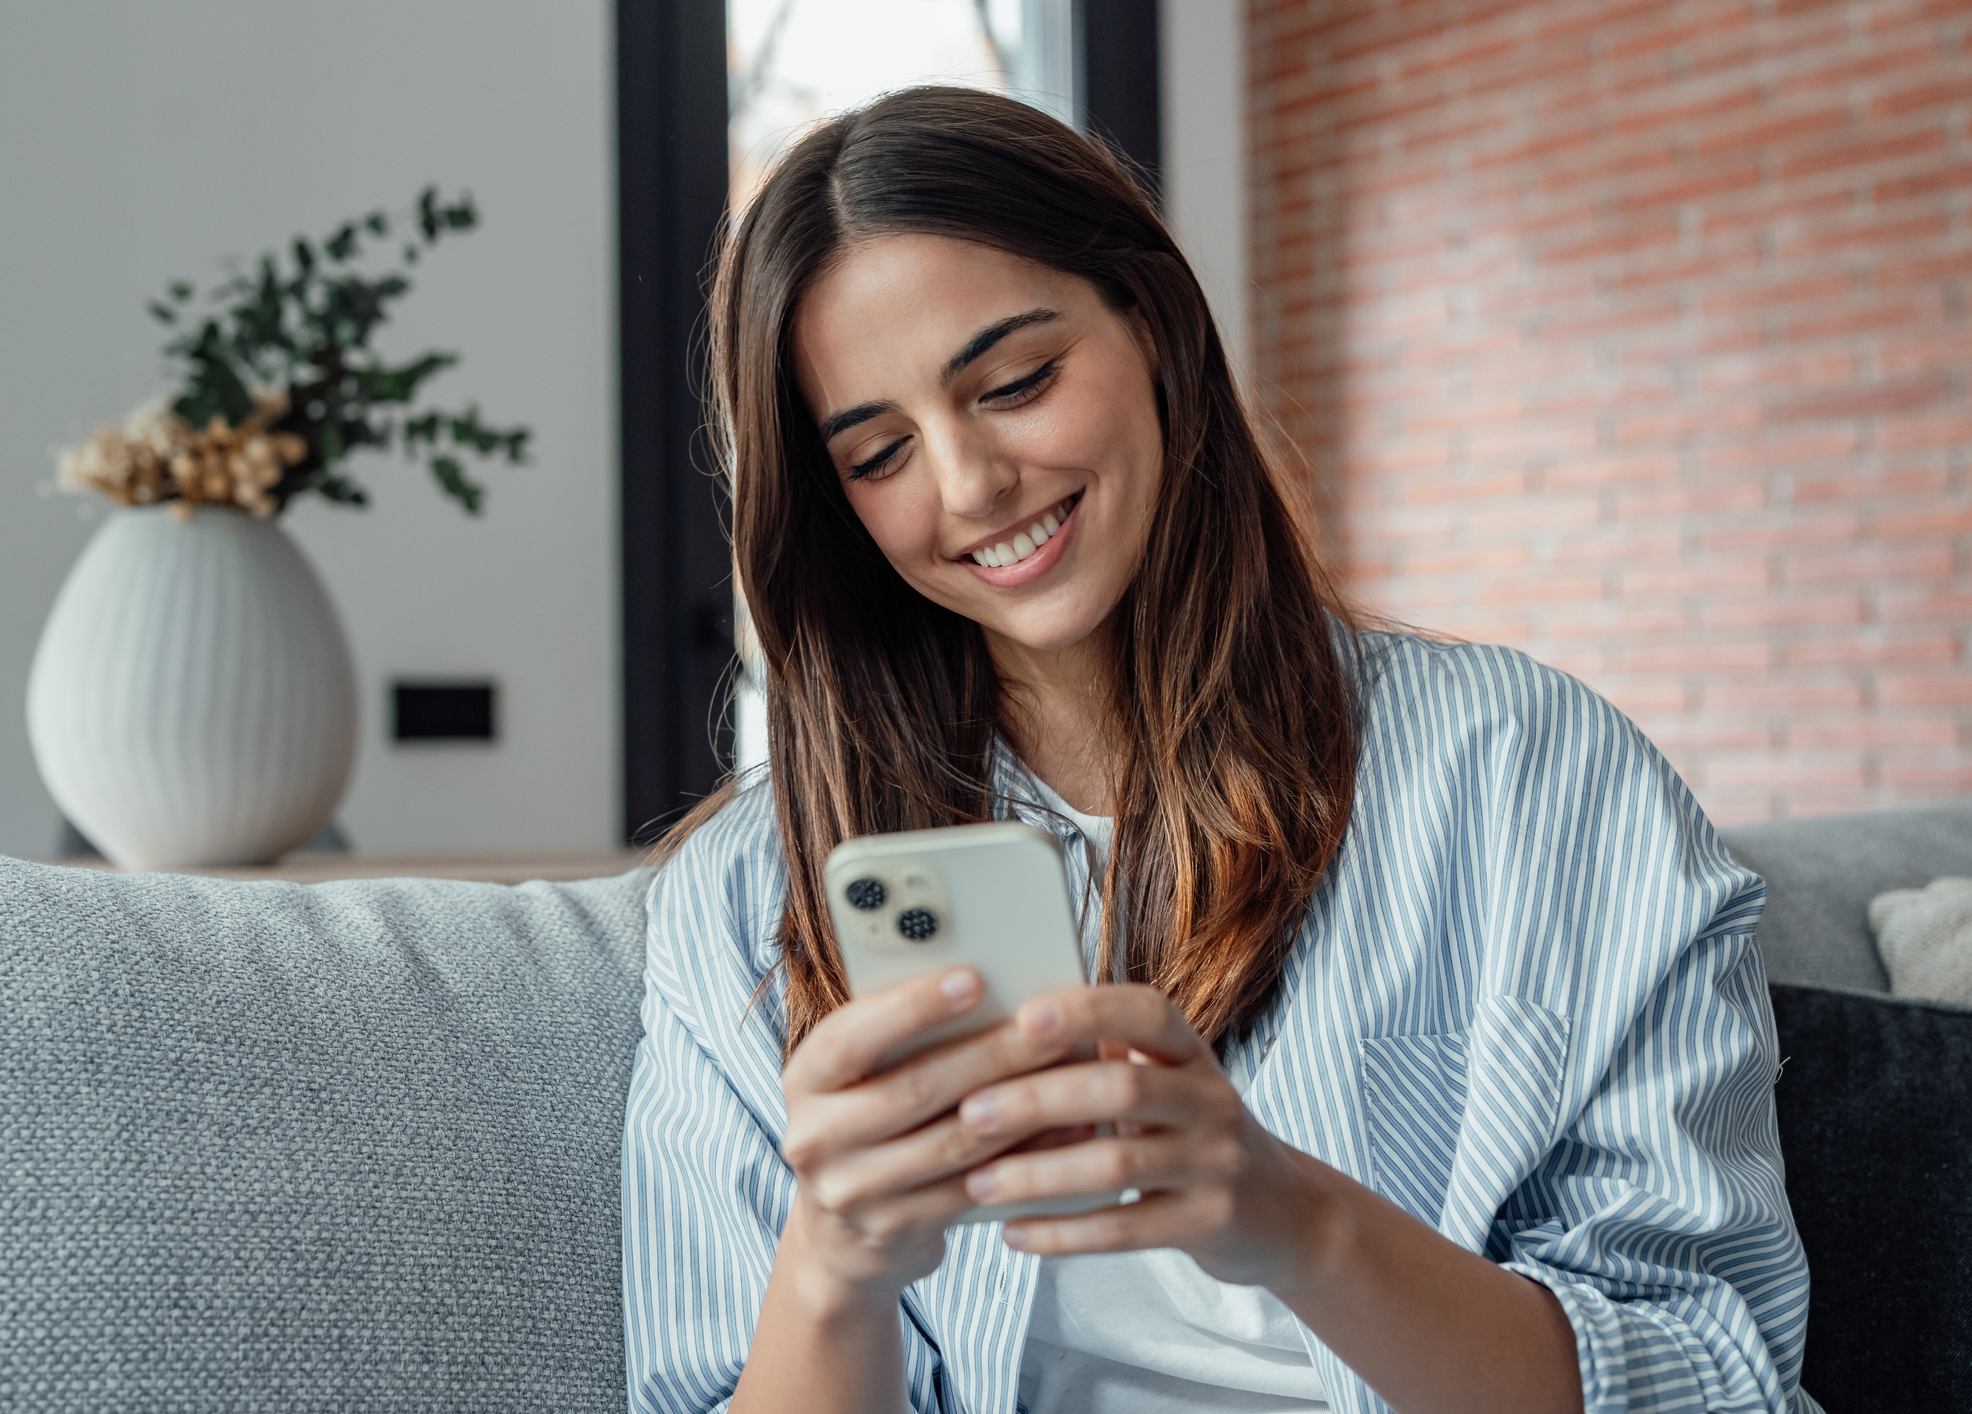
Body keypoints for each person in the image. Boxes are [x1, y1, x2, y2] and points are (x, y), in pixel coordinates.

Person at [622, 86, 1817, 1414]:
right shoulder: (741, 903)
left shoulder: (1528, 776)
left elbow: (1717, 1375)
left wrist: (1294, 1221)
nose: (966, 484)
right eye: (879, 451)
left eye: (1014, 382)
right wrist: (832, 1271)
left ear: (1155, 326)